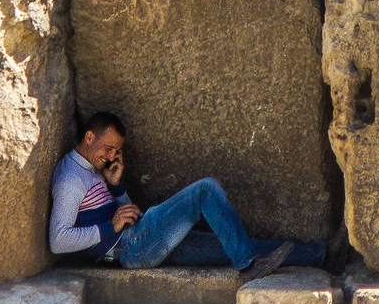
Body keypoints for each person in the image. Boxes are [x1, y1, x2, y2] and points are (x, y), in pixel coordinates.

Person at [48, 111, 331, 281]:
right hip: (133, 247)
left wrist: (117, 188)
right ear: (88, 138)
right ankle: (247, 266)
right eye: (108, 148)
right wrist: (110, 227)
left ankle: (323, 255)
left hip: (141, 239)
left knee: (236, 243)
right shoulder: (71, 179)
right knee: (205, 189)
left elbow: (126, 215)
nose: (111, 156)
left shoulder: (94, 168)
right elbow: (58, 240)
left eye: (115, 151)